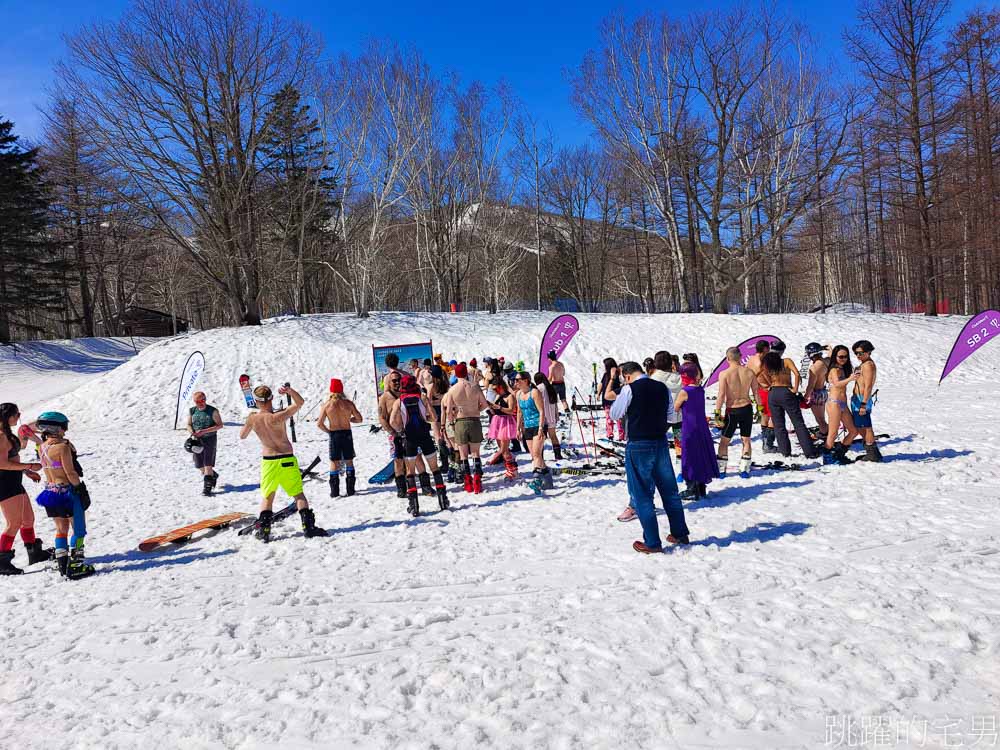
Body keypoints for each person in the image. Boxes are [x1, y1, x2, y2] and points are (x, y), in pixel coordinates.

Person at [608, 362, 690, 553]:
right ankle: (679, 533)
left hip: (638, 444)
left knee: (642, 493)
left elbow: (615, 413)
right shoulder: (662, 387)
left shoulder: (629, 389)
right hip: (660, 442)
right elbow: (671, 416)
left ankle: (652, 542)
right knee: (669, 490)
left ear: (627, 376)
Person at [239, 384, 325, 541]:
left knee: (268, 496)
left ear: (256, 401)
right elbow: (300, 403)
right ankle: (308, 527)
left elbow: (242, 436)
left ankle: (264, 529)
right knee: (298, 494)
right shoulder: (278, 416)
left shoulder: (253, 418)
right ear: (271, 398)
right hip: (286, 458)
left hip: (269, 461)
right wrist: (289, 391)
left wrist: (251, 422)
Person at [33, 412, 95, 579]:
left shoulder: (42, 447)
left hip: (51, 493)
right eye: (64, 427)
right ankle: (76, 566)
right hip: (68, 492)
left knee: (61, 529)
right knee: (79, 530)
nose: (65, 431)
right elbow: (70, 473)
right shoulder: (62, 447)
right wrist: (81, 489)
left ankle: (63, 564)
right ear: (57, 428)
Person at [389, 375, 449, 515]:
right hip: (425, 436)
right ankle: (442, 500)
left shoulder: (398, 402)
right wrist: (426, 419)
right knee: (434, 468)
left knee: (410, 472)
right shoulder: (422, 397)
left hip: (409, 438)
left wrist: (401, 428)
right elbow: (434, 417)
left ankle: (414, 505)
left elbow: (392, 422)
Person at [0, 403, 47, 576]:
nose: (18, 416)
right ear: (7, 416)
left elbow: (12, 459)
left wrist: (25, 471)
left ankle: (35, 554)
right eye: (16, 414)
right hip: (5, 483)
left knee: (28, 519)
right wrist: (29, 465)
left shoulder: (6, 434)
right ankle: (1, 562)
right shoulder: (1, 436)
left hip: (13, 480)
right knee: (14, 523)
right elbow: (2, 463)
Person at [441, 362, 490, 493]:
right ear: (466, 373)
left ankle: (468, 483)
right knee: (476, 453)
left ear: (456, 374)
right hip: (474, 420)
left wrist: (451, 422)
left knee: (463, 455)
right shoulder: (474, 387)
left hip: (460, 421)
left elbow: (448, 411)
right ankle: (477, 482)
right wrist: (476, 409)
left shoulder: (453, 390)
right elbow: (485, 405)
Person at [673, 363, 718, 498]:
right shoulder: (700, 390)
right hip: (701, 426)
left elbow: (675, 408)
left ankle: (692, 487)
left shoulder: (685, 391)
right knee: (701, 453)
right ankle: (701, 486)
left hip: (689, 427)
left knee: (690, 456)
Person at [762, 352, 819, 459]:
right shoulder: (786, 361)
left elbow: (758, 375)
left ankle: (785, 452)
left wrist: (767, 385)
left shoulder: (768, 365)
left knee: (778, 425)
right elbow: (797, 374)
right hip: (786, 391)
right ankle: (809, 452)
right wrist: (795, 389)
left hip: (773, 393)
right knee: (798, 423)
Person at [317, 378, 363, 497]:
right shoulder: (348, 403)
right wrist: (349, 419)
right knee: (349, 460)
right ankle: (350, 490)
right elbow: (359, 419)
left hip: (335, 434)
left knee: (334, 462)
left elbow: (319, 424)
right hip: (347, 433)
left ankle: (335, 492)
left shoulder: (327, 405)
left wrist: (329, 432)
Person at [714, 347, 755, 476]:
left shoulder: (724, 374)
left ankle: (721, 470)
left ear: (727, 359)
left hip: (732, 410)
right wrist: (760, 408)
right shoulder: (749, 372)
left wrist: (717, 412)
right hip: (747, 408)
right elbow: (756, 392)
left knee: (725, 440)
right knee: (746, 439)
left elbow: (721, 395)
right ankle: (744, 469)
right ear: (741, 357)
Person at [824, 346, 862, 465]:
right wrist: (850, 378)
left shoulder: (843, 368)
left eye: (845, 356)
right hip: (834, 403)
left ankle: (839, 453)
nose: (843, 359)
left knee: (853, 431)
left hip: (843, 404)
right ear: (836, 357)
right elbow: (837, 383)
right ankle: (827, 457)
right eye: (840, 356)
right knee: (833, 433)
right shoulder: (834, 369)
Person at [514, 371, 552, 489]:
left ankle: (536, 478)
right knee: (534, 456)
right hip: (527, 427)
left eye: (518, 380)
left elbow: (541, 411)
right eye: (515, 380)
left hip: (538, 425)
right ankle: (547, 474)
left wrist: (541, 427)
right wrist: (518, 428)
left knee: (536, 453)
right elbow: (519, 412)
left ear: (526, 380)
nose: (516, 382)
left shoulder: (534, 392)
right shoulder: (518, 394)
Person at [186, 391, 223, 496]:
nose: (201, 403)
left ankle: (207, 488)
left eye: (203, 400)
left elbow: (220, 425)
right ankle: (212, 475)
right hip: (197, 440)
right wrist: (191, 432)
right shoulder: (192, 411)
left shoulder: (212, 411)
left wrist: (204, 431)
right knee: (199, 464)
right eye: (198, 401)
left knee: (208, 464)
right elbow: (188, 424)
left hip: (209, 439)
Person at [378, 371, 407, 499]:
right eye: (394, 380)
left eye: (398, 379)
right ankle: (401, 488)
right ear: (389, 382)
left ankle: (411, 483)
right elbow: (382, 417)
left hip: (408, 432)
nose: (396, 382)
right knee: (398, 460)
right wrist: (392, 432)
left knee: (412, 459)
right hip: (395, 434)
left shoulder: (405, 393)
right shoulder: (385, 397)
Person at [852, 340, 882, 462]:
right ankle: (872, 450)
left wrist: (863, 403)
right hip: (858, 399)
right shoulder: (864, 364)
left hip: (862, 399)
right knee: (859, 426)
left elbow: (868, 386)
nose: (858, 355)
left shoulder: (868, 365)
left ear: (868, 352)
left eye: (860, 353)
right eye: (856, 353)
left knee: (866, 426)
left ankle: (872, 452)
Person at [650, 351, 683, 458]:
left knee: (655, 438)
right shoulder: (679, 378)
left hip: (662, 416)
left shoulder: (654, 378)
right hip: (678, 414)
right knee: (679, 439)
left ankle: (654, 456)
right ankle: (680, 457)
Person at [487, 379, 518, 480]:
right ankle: (512, 469)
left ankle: (512, 470)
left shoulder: (510, 396)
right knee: (504, 449)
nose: (495, 391)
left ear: (501, 386)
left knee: (504, 449)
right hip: (497, 421)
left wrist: (499, 407)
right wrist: (491, 407)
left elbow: (511, 410)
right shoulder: (498, 396)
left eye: (496, 389)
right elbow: (494, 409)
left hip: (506, 422)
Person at [747, 340, 775, 453]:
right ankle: (768, 444)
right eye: (768, 348)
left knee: (764, 416)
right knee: (773, 416)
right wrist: (772, 384)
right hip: (765, 390)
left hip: (757, 391)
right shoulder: (760, 363)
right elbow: (762, 377)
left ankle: (765, 443)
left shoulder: (751, 359)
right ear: (764, 349)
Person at [802, 343, 830, 439]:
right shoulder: (826, 361)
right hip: (823, 391)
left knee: (820, 419)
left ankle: (824, 434)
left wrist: (805, 398)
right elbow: (831, 354)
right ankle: (826, 432)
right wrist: (826, 348)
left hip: (817, 393)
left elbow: (810, 386)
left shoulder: (814, 368)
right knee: (822, 417)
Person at [534, 372, 563, 461]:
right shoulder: (551, 387)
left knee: (541, 437)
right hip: (551, 416)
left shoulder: (538, 388)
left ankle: (540, 457)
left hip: (543, 416)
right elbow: (555, 403)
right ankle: (558, 455)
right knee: (553, 436)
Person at [599, 358, 625, 441]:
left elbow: (623, 383)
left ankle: (622, 435)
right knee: (609, 419)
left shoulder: (618, 375)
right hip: (606, 400)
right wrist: (598, 393)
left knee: (618, 419)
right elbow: (601, 384)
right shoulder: (605, 375)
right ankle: (610, 434)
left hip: (616, 399)